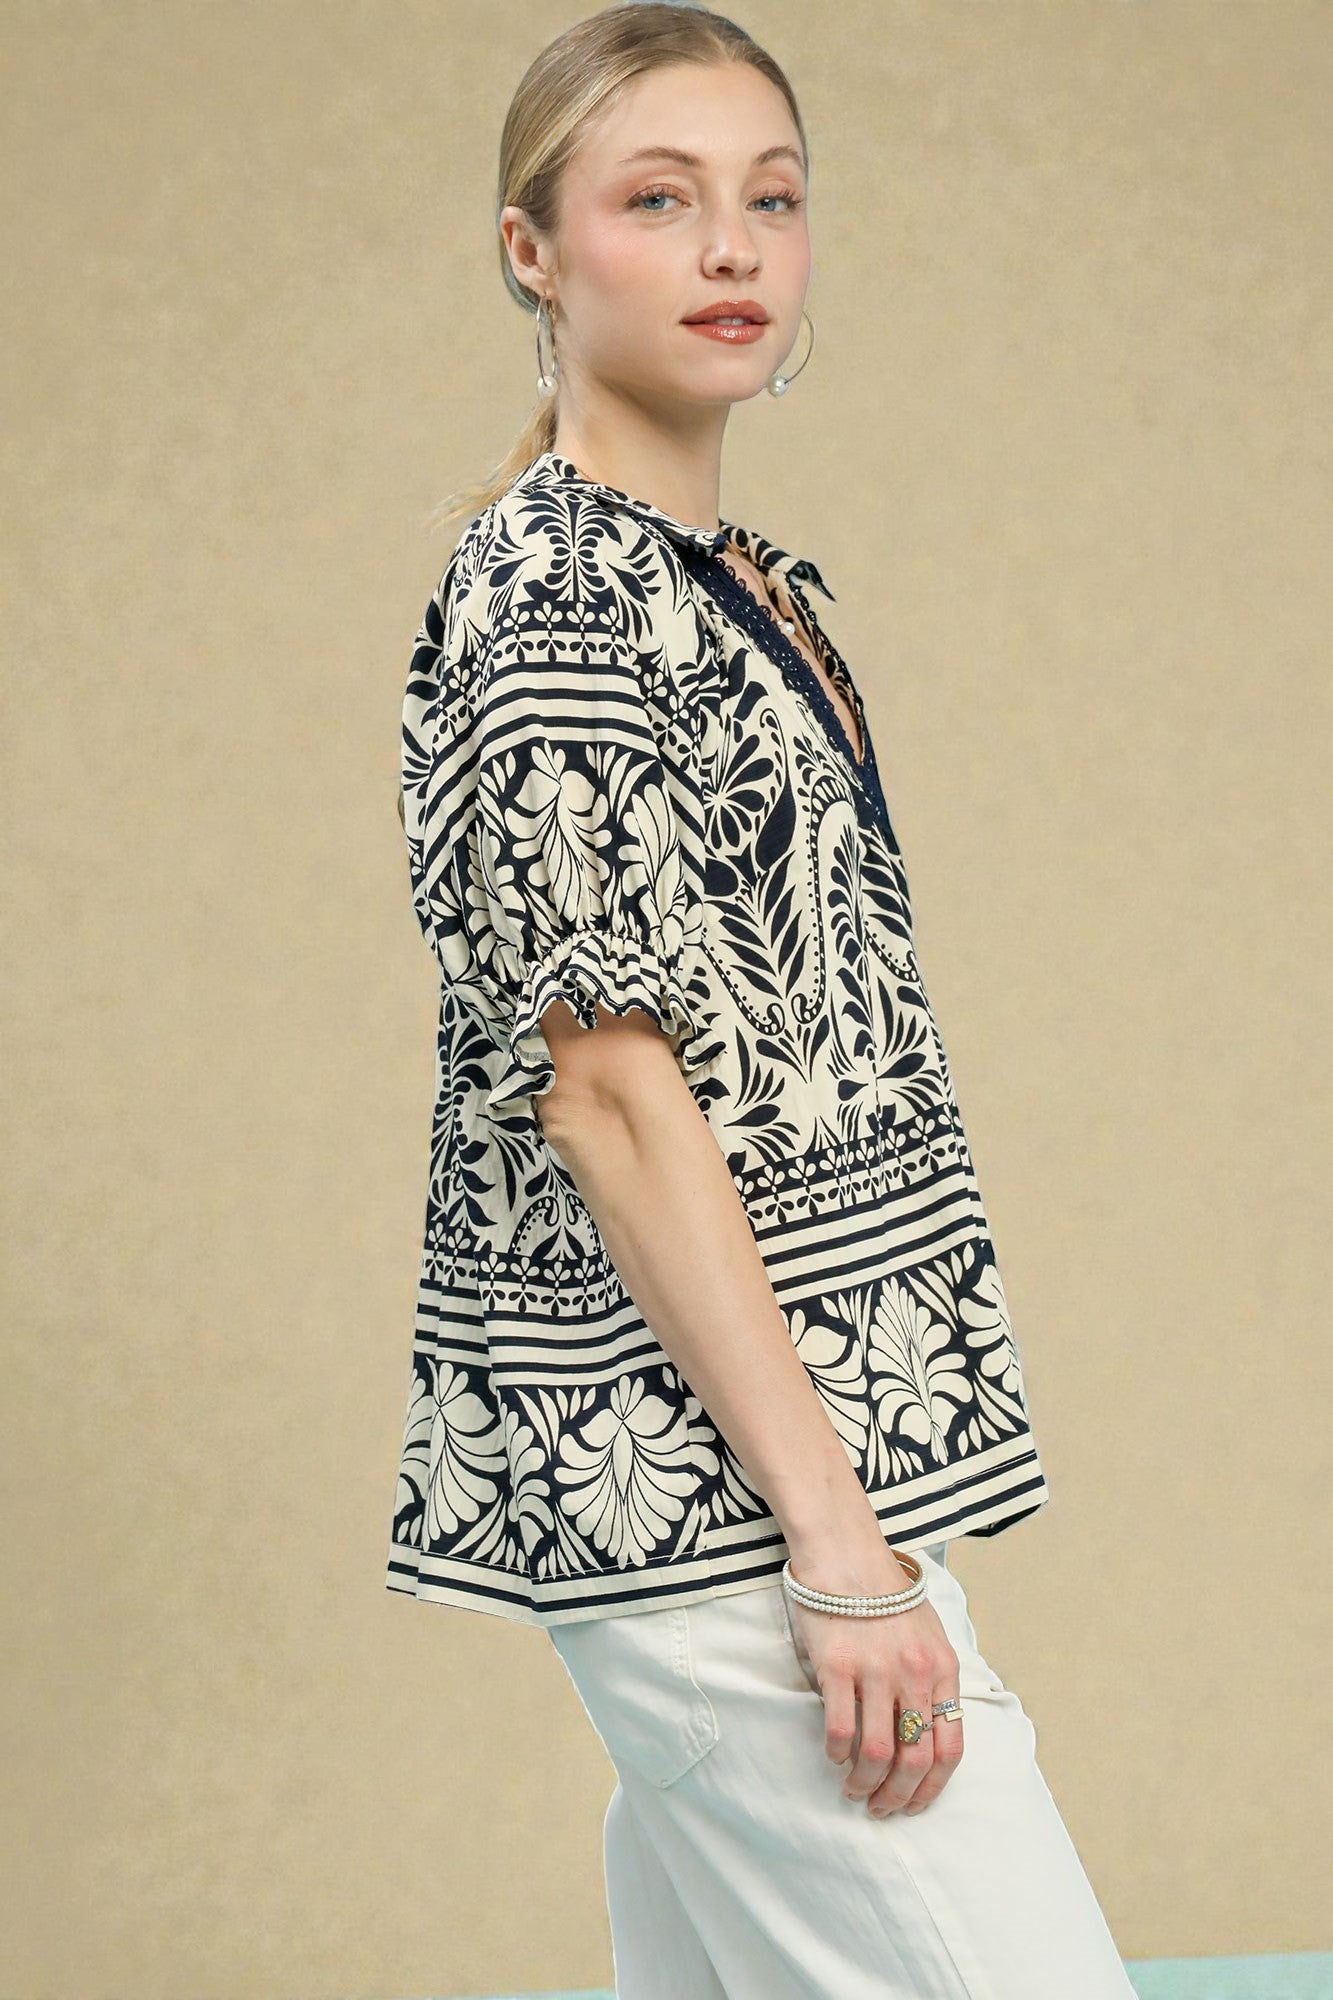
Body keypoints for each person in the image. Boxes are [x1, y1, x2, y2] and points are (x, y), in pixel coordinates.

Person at [387, 5, 1138, 1995]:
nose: (733, 248)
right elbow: (610, 1099)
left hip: (753, 1469)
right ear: (531, 253)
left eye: (771, 201)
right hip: (715, 1500)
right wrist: (838, 1548)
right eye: (659, 198)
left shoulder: (726, 580)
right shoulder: (556, 601)